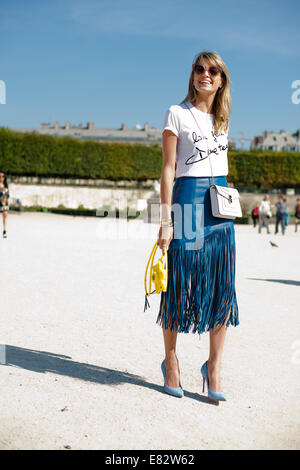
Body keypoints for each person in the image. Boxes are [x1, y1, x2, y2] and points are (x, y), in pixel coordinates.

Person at [156, 51, 239, 403]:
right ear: (192, 74)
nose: (205, 74)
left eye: (213, 70)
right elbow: (168, 169)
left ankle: (213, 366)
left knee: (223, 287)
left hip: (219, 207)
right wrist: (165, 220)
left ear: (221, 80)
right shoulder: (177, 113)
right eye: (199, 68)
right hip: (187, 201)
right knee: (177, 283)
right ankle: (171, 361)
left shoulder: (224, 121)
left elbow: (221, 167)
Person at [0, 171, 9, 238]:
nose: (1, 178)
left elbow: (8, 194)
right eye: (0, 176)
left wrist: (6, 198)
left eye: (3, 176)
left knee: (5, 214)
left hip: (4, 202)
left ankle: (4, 230)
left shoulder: (6, 185)